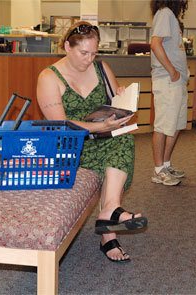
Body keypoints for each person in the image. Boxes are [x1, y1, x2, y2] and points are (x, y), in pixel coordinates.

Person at [36, 21, 147, 263]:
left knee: (123, 138)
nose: (89, 59)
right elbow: (61, 125)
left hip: (102, 137)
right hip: (69, 147)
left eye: (94, 53)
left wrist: (122, 98)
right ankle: (109, 231)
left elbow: (116, 100)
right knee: (113, 145)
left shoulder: (101, 68)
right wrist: (100, 126)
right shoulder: (49, 77)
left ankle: (109, 211)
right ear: (67, 46)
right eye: (83, 53)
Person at [150, 0, 189, 186]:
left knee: (175, 125)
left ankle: (165, 165)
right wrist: (172, 71)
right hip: (167, 80)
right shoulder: (164, 13)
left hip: (176, 81)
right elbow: (155, 44)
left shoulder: (170, 16)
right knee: (163, 126)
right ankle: (158, 171)